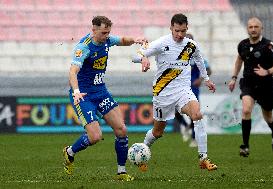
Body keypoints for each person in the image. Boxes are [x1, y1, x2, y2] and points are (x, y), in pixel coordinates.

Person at [63, 15, 146, 181]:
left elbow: (122, 40)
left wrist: (135, 39)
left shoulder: (107, 39)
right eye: (103, 33)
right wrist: (76, 91)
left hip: (101, 92)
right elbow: (72, 71)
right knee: (95, 136)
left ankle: (121, 172)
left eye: (108, 32)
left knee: (121, 129)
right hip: (84, 95)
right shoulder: (84, 47)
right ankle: (69, 152)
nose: (106, 36)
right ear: (93, 30)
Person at [132, 13, 217, 171]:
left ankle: (203, 158)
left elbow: (199, 59)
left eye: (183, 31)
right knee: (158, 132)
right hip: (163, 94)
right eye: (176, 30)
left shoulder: (191, 45)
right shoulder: (161, 43)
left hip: (183, 91)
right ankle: (142, 150)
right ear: (171, 27)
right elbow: (135, 55)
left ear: (187, 29)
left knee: (197, 115)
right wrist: (143, 59)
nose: (179, 34)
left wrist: (206, 79)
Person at [228, 17, 273, 157]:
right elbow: (239, 60)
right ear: (247, 29)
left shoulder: (268, 45)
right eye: (250, 27)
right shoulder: (243, 45)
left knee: (268, 116)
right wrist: (234, 78)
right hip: (248, 84)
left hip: (266, 85)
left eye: (256, 27)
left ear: (261, 29)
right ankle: (245, 146)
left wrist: (268, 71)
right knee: (246, 110)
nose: (253, 29)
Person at [176, 33, 212, 148]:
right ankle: (185, 126)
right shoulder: (176, 55)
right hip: (179, 88)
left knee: (194, 113)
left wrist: (200, 79)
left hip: (193, 88)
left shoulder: (197, 55)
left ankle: (193, 138)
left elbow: (209, 70)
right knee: (174, 110)